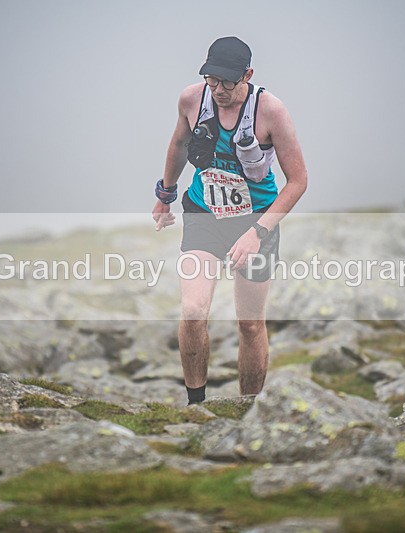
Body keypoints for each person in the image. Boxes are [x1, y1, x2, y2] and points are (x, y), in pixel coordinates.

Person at [152, 36, 307, 404]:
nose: (218, 90)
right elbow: (178, 145)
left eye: (227, 82)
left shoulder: (271, 111)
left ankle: (247, 409)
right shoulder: (192, 99)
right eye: (211, 80)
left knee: (250, 325)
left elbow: (298, 181)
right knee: (192, 311)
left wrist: (257, 231)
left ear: (248, 75)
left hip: (257, 220)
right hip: (204, 213)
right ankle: (195, 405)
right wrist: (165, 196)